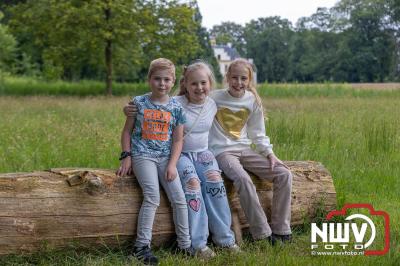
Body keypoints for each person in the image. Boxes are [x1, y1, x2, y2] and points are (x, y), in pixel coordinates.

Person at [123, 60, 239, 259]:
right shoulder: (175, 104)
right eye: (194, 83)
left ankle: (224, 238)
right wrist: (127, 110)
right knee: (192, 186)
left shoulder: (213, 101)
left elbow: (238, 92)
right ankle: (197, 243)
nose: (199, 88)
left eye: (204, 83)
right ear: (184, 84)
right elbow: (150, 107)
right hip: (178, 155)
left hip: (200, 153)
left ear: (210, 84)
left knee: (215, 181)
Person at [209, 58, 293, 244]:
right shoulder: (214, 97)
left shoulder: (252, 100)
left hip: (245, 150)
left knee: (284, 174)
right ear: (227, 78)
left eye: (243, 78)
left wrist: (270, 155)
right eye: (235, 78)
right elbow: (188, 98)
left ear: (249, 80)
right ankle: (262, 233)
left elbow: (258, 133)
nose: (239, 83)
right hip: (223, 152)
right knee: (243, 179)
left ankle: (281, 229)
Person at [117, 58, 191, 265]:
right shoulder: (138, 103)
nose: (162, 83)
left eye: (167, 79)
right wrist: (126, 155)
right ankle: (141, 246)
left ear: (173, 81)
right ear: (149, 79)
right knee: (152, 196)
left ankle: (184, 245)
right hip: (143, 156)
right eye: (157, 79)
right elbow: (126, 132)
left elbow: (178, 139)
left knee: (179, 198)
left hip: (166, 158)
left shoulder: (176, 108)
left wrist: (172, 164)